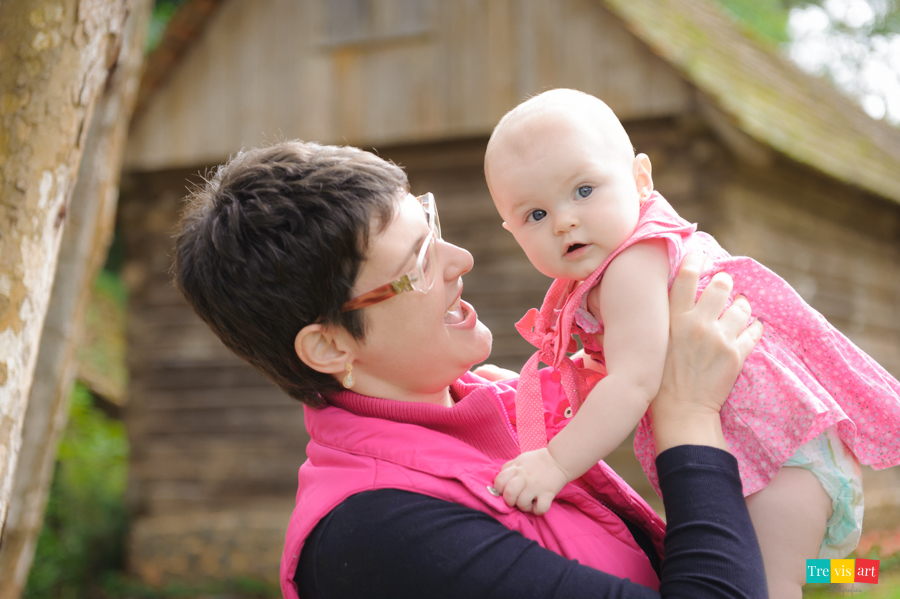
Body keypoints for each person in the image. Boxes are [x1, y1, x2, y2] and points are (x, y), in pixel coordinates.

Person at [173, 140, 768, 599]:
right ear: (329, 347)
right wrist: (689, 418)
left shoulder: (511, 399)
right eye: (417, 264)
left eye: (430, 226)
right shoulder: (380, 532)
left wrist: (848, 565)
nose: (462, 260)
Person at [484, 88, 900, 598]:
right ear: (511, 231)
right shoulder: (622, 257)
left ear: (641, 179)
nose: (565, 219)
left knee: (770, 585)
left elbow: (634, 382)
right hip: (773, 450)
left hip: (776, 453)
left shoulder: (632, 265)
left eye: (584, 190)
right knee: (797, 574)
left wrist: (555, 464)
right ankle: (867, 575)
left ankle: (864, 575)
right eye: (536, 215)